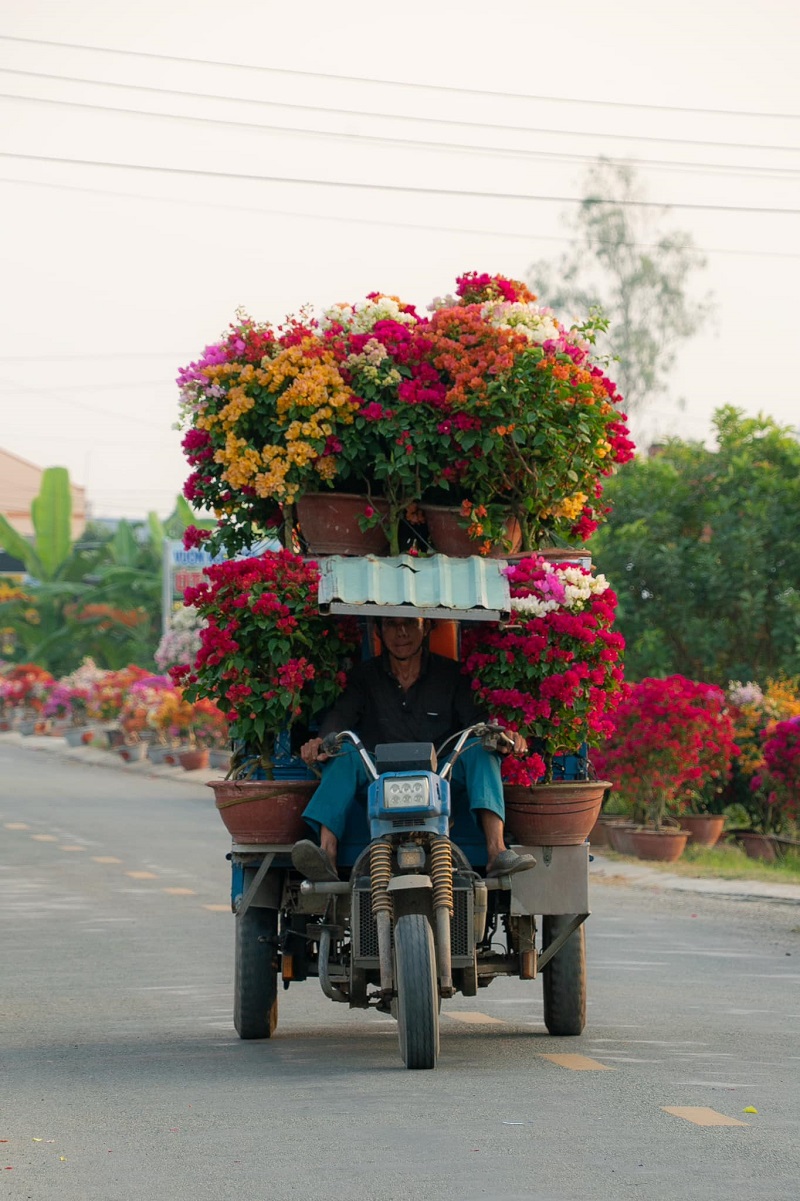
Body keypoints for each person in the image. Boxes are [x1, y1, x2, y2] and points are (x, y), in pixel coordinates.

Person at [291, 615, 536, 881]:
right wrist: (322, 740)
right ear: (379, 631)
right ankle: (326, 854)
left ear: (427, 627)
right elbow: (339, 719)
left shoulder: (451, 674)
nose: (401, 633)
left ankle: (496, 852)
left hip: (442, 776)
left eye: (410, 624)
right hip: (377, 777)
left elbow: (478, 723)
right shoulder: (365, 676)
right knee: (342, 751)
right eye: (391, 625)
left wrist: (502, 737)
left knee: (481, 748)